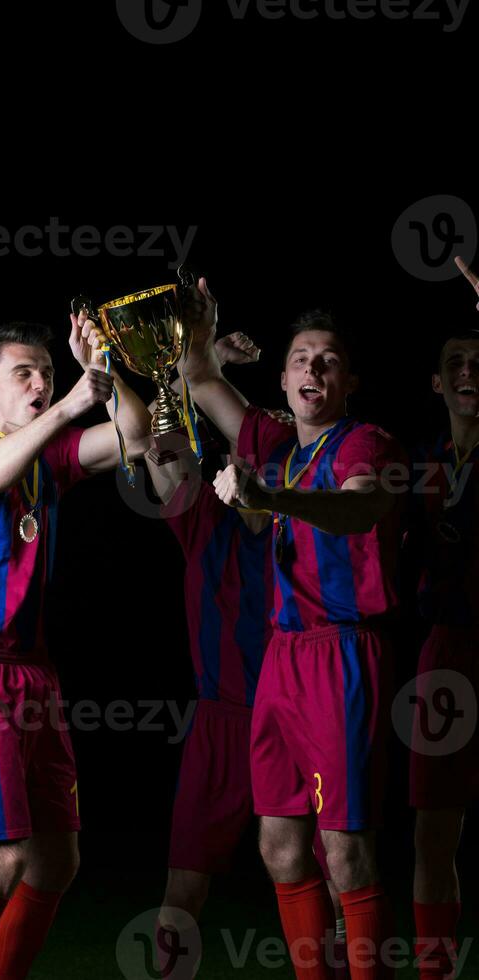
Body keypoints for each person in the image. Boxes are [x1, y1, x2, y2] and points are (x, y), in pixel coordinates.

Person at [180, 280, 404, 980]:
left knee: (342, 849)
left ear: (347, 381)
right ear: (280, 377)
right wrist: (200, 328)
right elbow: (196, 377)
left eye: (327, 360)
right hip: (280, 658)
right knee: (278, 847)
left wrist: (269, 498)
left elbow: (356, 511)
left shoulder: (365, 441)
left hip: (342, 653)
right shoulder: (271, 440)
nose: (312, 369)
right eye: (300, 358)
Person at [0, 311, 152, 980]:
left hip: (35, 674)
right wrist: (71, 405)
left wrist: (104, 376)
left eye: (47, 374)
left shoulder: (49, 458)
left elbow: (137, 437)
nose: (39, 384)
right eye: (23, 373)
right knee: (0, 859)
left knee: (58, 859)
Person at [148, 333, 348, 979]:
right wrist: (190, 371)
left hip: (301, 717)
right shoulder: (199, 516)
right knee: (182, 891)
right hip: (220, 723)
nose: (249, 456)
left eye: (267, 447)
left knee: (341, 878)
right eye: (243, 444)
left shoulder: (305, 522)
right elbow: (156, 441)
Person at [407, 255, 479, 980]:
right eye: (454, 362)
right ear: (436, 382)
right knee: (433, 831)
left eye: (478, 360)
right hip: (444, 653)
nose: (467, 371)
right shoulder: (417, 464)